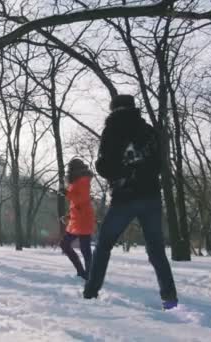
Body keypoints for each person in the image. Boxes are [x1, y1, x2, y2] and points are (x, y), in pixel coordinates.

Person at [83, 95, 178, 310]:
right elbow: (160, 164)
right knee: (156, 250)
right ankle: (169, 297)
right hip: (151, 196)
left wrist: (123, 174)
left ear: (113, 109)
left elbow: (103, 167)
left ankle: (91, 292)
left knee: (104, 245)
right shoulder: (150, 131)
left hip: (124, 199)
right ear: (134, 108)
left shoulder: (111, 130)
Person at [60, 158, 95, 280]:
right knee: (65, 245)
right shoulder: (75, 181)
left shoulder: (84, 180)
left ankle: (90, 276)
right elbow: (77, 203)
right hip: (76, 220)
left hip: (84, 219)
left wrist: (66, 193)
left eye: (70, 168)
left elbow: (82, 199)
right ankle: (82, 272)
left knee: (85, 250)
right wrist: (68, 216)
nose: (68, 171)